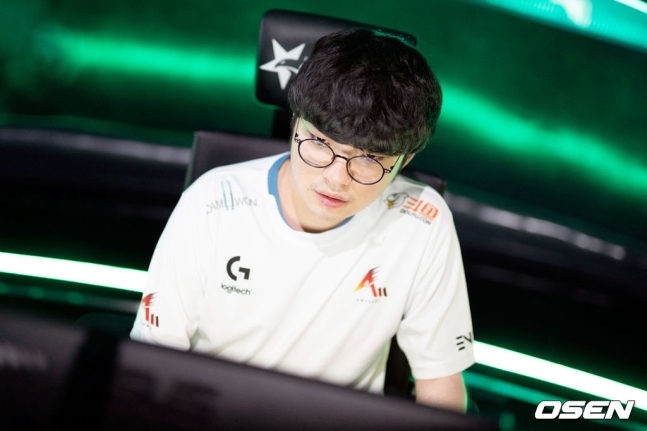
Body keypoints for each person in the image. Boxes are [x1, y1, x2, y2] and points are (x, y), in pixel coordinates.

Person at [131, 28, 475, 412]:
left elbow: (441, 384)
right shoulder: (211, 202)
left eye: (369, 159)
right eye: (320, 144)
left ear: (405, 159)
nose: (336, 178)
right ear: (295, 122)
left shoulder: (422, 220)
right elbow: (152, 365)